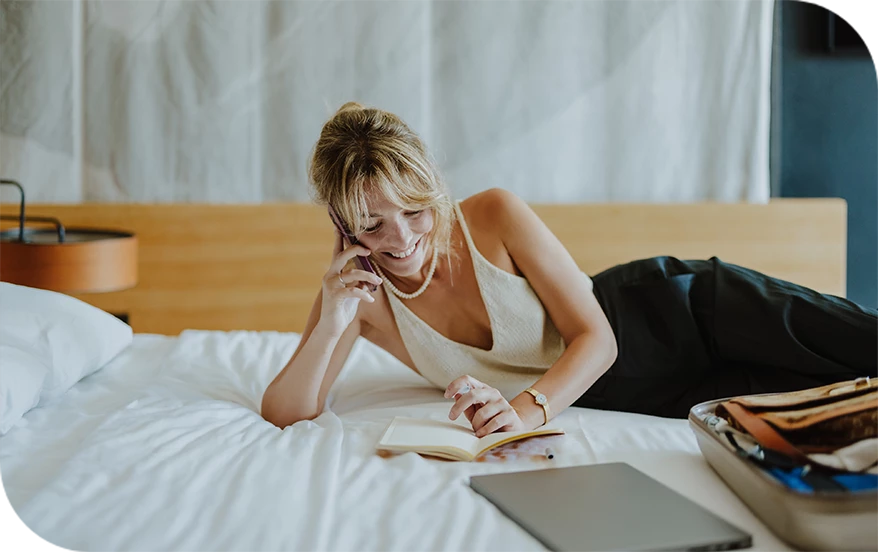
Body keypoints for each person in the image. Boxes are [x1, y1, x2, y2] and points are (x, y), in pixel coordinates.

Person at [261, 102, 878, 436]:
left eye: (414, 209)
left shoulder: (493, 214)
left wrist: (524, 412)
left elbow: (598, 336)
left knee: (862, 346)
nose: (401, 238)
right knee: (841, 406)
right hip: (644, 393)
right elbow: (287, 411)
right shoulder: (359, 297)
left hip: (678, 310)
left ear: (433, 189)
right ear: (341, 225)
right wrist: (333, 316)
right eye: (371, 224)